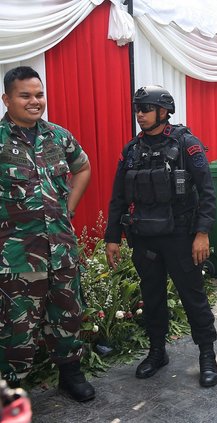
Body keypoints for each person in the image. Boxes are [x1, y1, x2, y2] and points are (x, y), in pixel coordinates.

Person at [104, 85, 217, 387]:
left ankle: (207, 354)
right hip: (144, 237)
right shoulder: (131, 151)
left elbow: (207, 191)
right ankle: (157, 352)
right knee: (152, 297)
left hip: (181, 237)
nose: (139, 114)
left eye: (146, 108)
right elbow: (117, 197)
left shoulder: (186, 145)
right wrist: (112, 236)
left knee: (193, 297)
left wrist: (202, 233)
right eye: (137, 109)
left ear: (164, 112)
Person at [0, 66, 94, 402]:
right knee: (17, 328)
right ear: (7, 98)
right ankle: (12, 391)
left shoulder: (58, 136)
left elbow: (82, 167)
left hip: (62, 248)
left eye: (38, 94)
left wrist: (68, 209)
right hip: (17, 255)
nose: (34, 101)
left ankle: (70, 376)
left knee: (68, 314)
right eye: (25, 95)